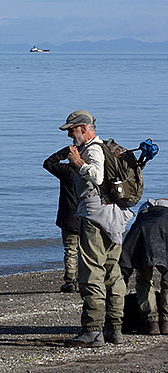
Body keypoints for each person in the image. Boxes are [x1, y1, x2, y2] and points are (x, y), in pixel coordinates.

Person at [61, 110, 133, 347]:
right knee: (113, 272)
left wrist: (78, 163)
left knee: (92, 271)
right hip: (114, 216)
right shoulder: (106, 148)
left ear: (83, 127)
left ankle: (92, 330)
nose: (70, 136)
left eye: (72, 130)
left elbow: (98, 177)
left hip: (95, 217)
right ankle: (115, 328)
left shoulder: (93, 150)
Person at [119, 198, 168, 335]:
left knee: (143, 278)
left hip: (141, 231)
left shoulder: (143, 212)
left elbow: (125, 258)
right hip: (164, 229)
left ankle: (150, 322)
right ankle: (166, 322)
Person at [43, 146, 82, 293]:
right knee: (85, 252)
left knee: (70, 250)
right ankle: (83, 280)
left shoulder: (67, 171)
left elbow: (48, 163)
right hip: (87, 217)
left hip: (69, 218)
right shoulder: (90, 171)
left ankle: (70, 281)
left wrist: (66, 152)